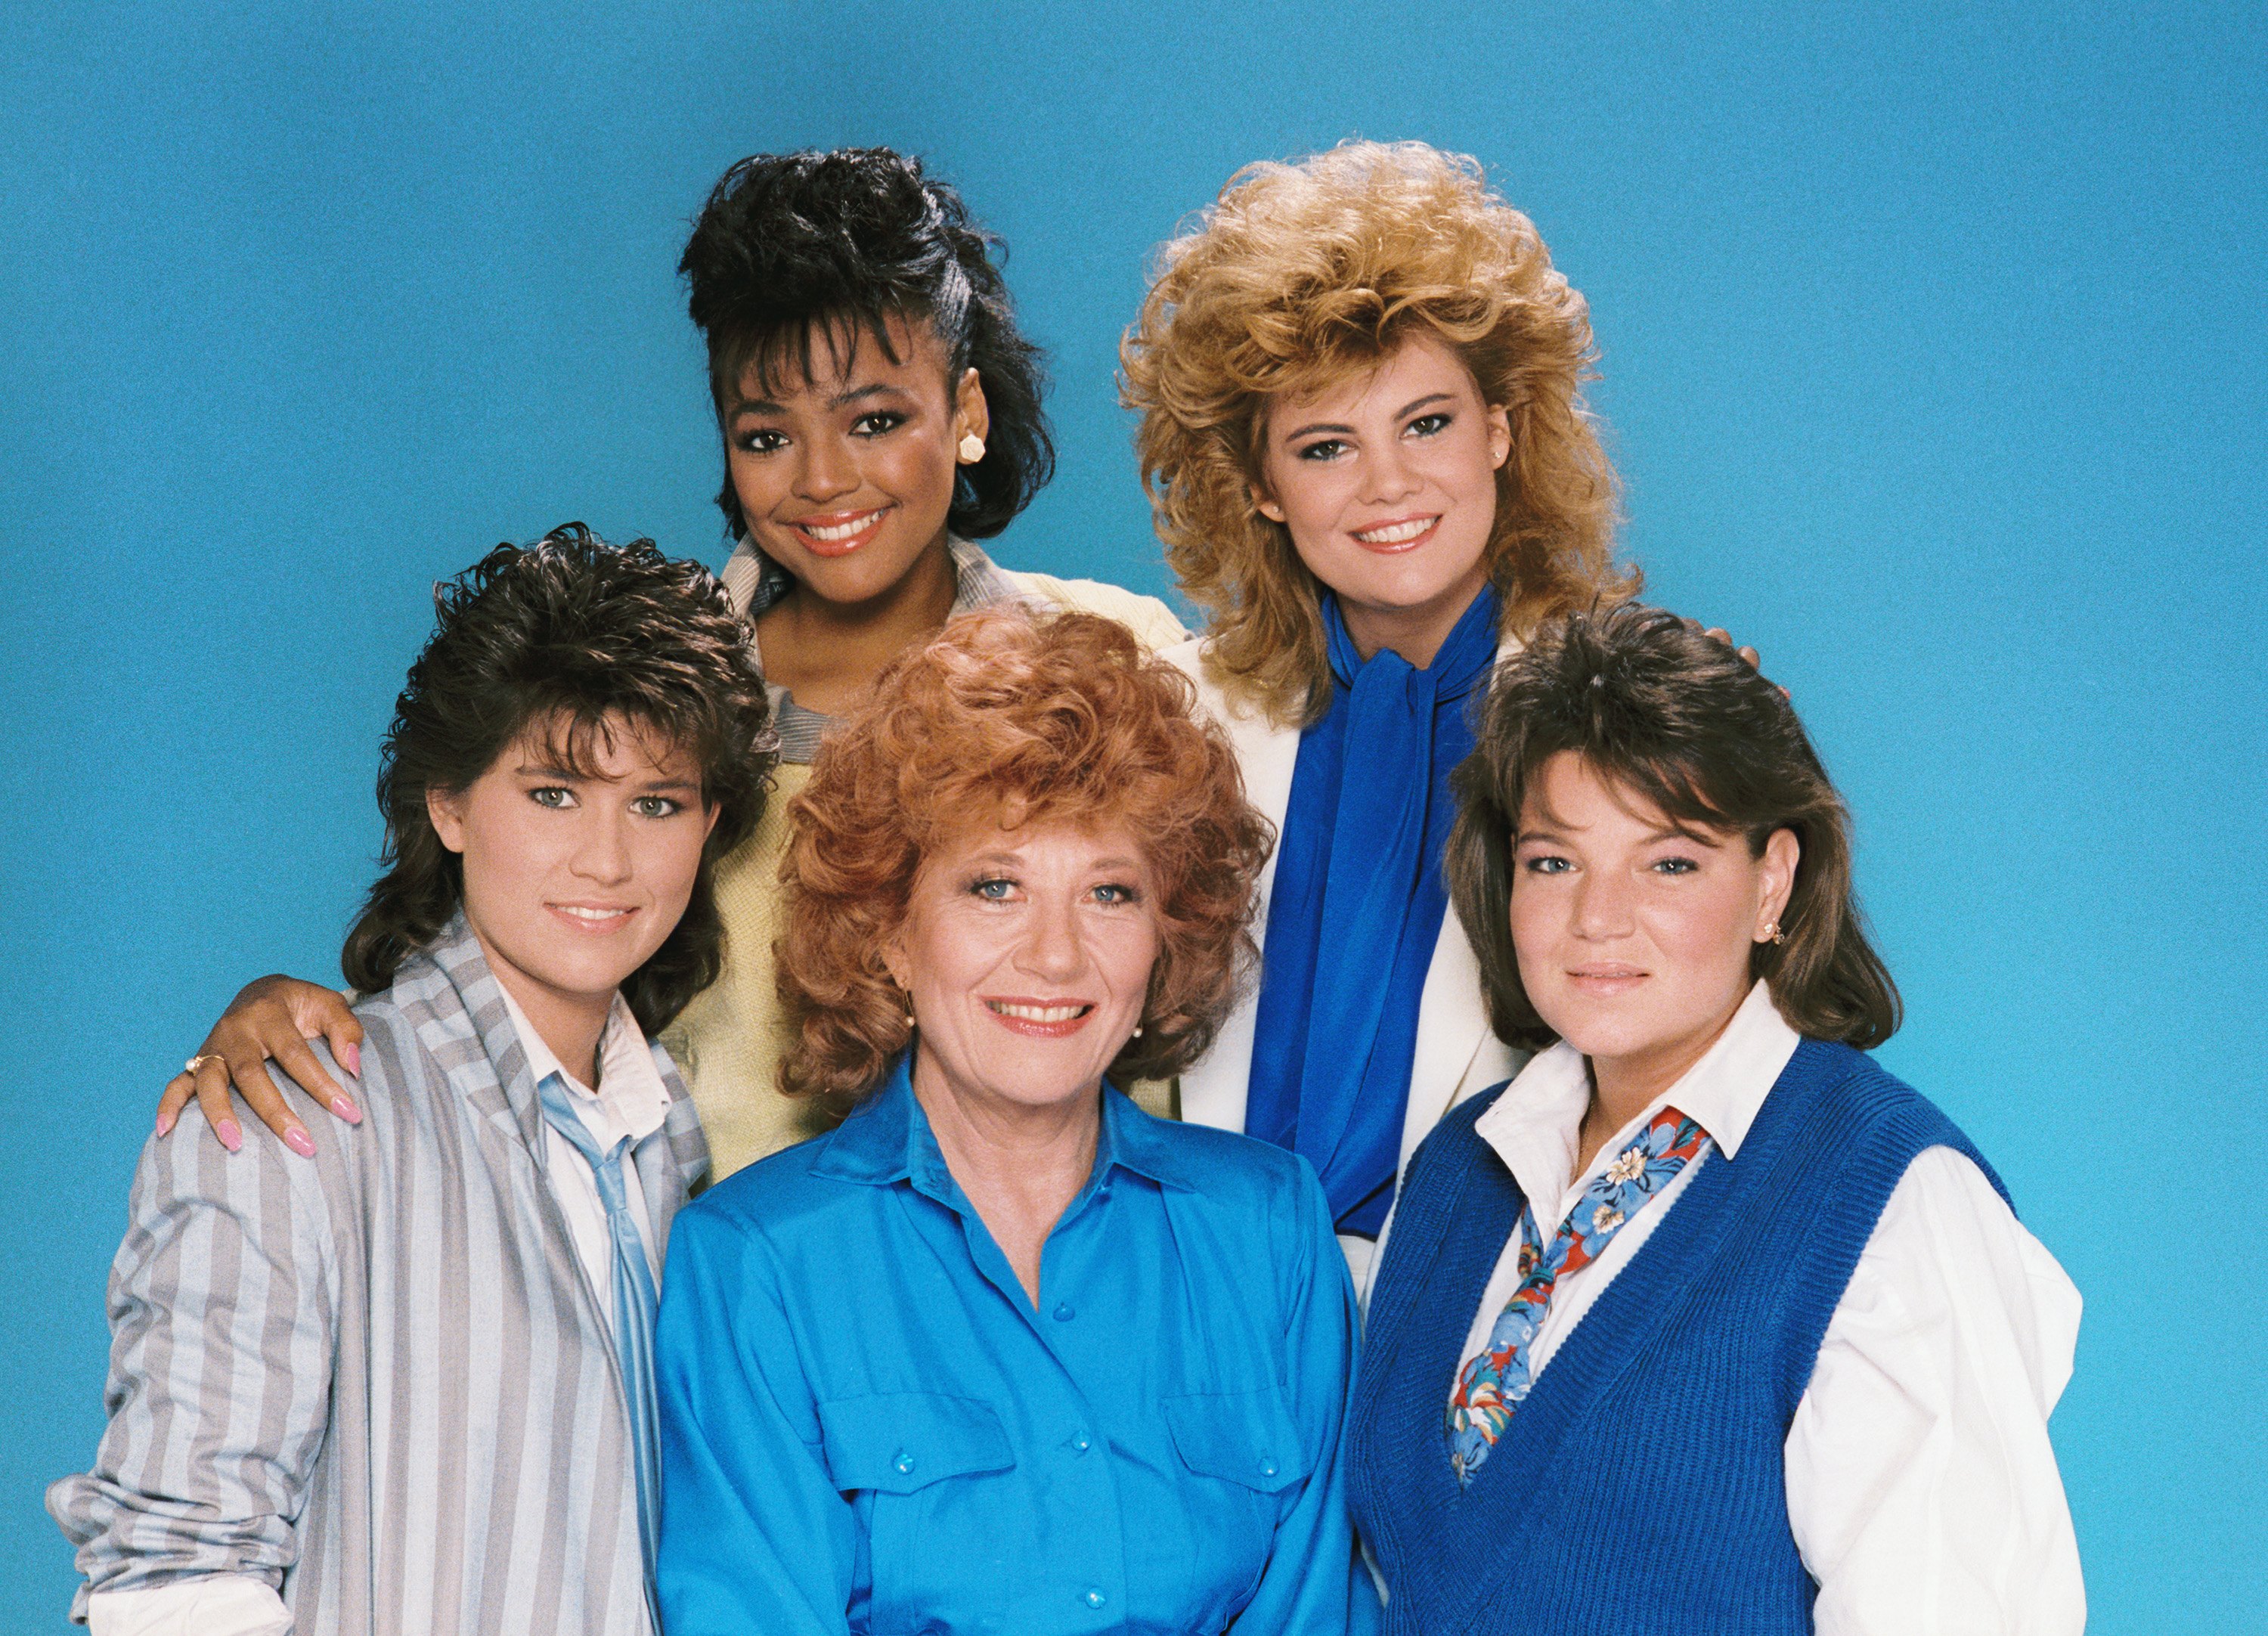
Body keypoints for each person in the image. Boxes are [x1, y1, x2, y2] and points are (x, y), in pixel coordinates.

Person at [153, 147, 1183, 1179]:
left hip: (1070, 1278)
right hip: (694, 1294)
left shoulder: (1114, 661)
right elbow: (489, 945)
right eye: (767, 435)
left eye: (876, 421)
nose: (824, 480)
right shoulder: (656, 697)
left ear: (964, 415)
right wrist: (290, 1013)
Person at [51, 527, 777, 1635]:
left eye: (658, 803)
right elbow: (173, 1581)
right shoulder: (296, 1113)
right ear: (448, 806)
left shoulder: (672, 1141)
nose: (607, 859)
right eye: (552, 794)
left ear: (709, 822)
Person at [1346, 603, 2084, 1634]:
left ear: (1773, 880)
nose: (1597, 918)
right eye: (1554, 861)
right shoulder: (1458, 1169)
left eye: (1670, 861)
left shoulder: (1887, 1199)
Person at [654, 608, 1375, 1636]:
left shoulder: (1269, 1228)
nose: (1054, 956)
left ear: (1167, 938)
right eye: (995, 887)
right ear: (888, 933)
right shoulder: (758, 1261)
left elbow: (1312, 1609)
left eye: (1110, 894)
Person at [1122, 140, 1665, 1279]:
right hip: (1195, 1309)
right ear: (1261, 487)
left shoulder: (1625, 723)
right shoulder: (1176, 716)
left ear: (1503, 428)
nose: (1388, 487)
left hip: (1482, 1327)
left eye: (1427, 424)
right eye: (1327, 447)